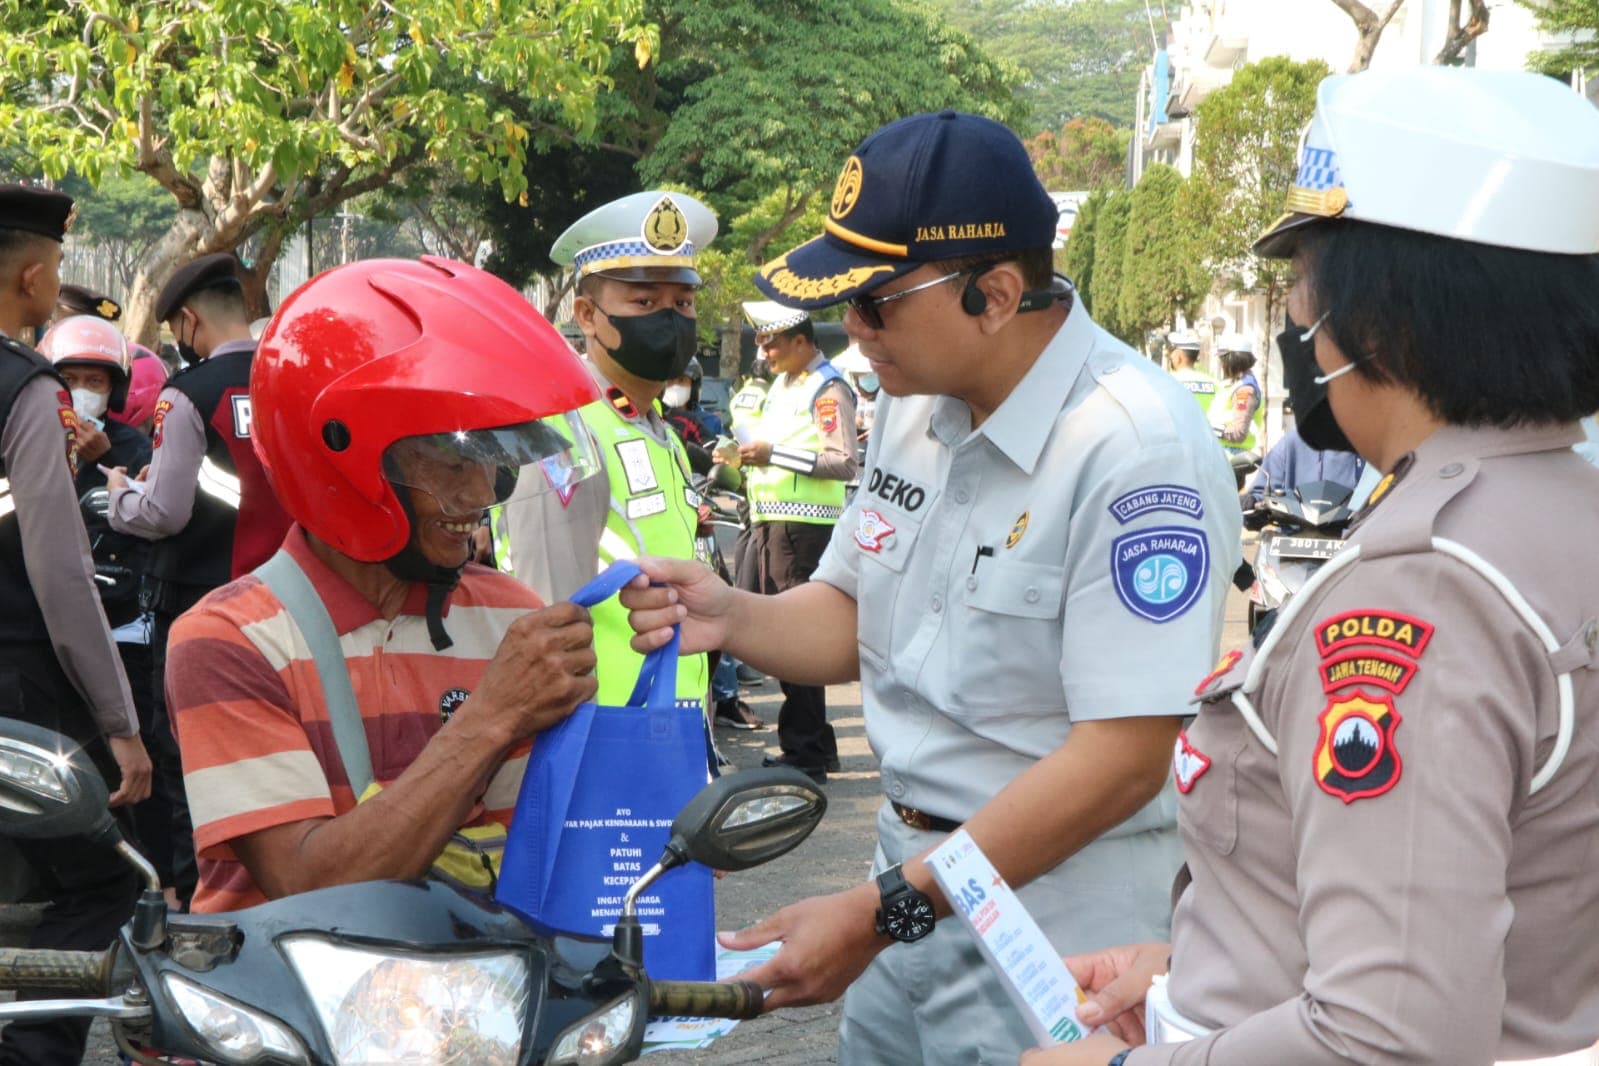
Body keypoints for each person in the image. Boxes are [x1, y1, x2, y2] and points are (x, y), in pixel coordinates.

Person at [619, 111, 1240, 1065]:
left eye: (874, 302)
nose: (851, 331)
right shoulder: (913, 403)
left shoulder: (1133, 447)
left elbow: (1122, 759)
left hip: (1053, 919)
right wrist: (732, 614)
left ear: (993, 293)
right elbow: (853, 617)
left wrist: (884, 909)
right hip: (902, 883)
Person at [1024, 67, 1599, 1066]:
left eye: (1302, 288)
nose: (1299, 327)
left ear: (1385, 319)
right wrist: (1193, 973)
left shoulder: (1424, 587)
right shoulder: (1560, 512)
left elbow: (1393, 1033)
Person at [164, 256, 604, 912]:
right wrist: (492, 715)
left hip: (478, 1002)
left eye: (493, 461)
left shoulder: (513, 618)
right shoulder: (228, 641)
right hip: (292, 1003)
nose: (481, 494)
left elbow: (551, 855)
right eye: (453, 461)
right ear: (341, 463)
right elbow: (313, 886)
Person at [0, 184, 150, 1066]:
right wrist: (120, 725)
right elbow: (60, 573)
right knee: (104, 879)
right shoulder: (25, 390)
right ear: (32, 274)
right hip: (19, 690)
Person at [105, 251, 291, 907]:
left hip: (205, 610)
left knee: (193, 758)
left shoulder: (187, 394)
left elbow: (165, 511)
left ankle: (200, 901)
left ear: (186, 321)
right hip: (296, 606)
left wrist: (120, 494)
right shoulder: (292, 380)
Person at [498, 190, 713, 717]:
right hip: (599, 742)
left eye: (682, 303)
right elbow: (548, 619)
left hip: (670, 731)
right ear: (587, 316)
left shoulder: (653, 426)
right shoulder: (565, 435)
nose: (670, 319)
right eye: (644, 303)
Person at [734, 299, 858, 783]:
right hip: (773, 521)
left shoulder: (827, 388)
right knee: (781, 635)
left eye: (773, 344)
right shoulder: (784, 385)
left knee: (796, 638)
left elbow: (844, 461)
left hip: (803, 528)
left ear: (802, 342)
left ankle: (804, 748)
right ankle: (814, 744)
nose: (764, 353)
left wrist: (774, 455)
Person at [1242, 424, 1364, 508]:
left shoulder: (1366, 445)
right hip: (1291, 536)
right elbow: (1261, 494)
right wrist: (1252, 502)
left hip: (1348, 537)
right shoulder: (1290, 443)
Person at [1207, 334, 1261, 456]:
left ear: (1232, 360)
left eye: (1223, 360)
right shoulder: (1235, 384)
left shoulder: (1245, 390)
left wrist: (1209, 428)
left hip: (1231, 457)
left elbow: (1239, 432)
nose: (1222, 365)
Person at [1164, 331, 1215, 413]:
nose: (1170, 356)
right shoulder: (1214, 383)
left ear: (1178, 356)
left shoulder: (1168, 382)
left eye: (1172, 352)